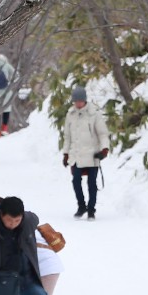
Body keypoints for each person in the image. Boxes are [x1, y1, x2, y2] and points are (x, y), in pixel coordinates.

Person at [61, 86, 109, 218]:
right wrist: (66, 154)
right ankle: (81, 206)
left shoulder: (94, 114)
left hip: (92, 154)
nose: (78, 104)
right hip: (76, 155)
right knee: (76, 182)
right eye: (76, 101)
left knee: (91, 183)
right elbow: (67, 137)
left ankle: (91, 209)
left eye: (80, 101)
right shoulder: (70, 115)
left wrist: (104, 149)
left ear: (85, 100)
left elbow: (103, 134)